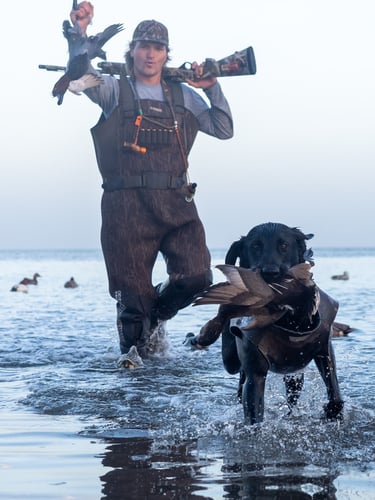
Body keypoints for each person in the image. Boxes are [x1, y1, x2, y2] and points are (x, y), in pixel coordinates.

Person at [68, 2, 234, 365]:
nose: (150, 53)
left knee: (196, 278)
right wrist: (80, 34)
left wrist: (212, 86)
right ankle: (136, 388)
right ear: (133, 52)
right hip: (125, 207)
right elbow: (79, 71)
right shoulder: (112, 89)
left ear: (165, 54)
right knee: (132, 309)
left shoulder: (184, 96)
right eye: (144, 46)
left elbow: (224, 129)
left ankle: (154, 315)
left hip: (177, 202)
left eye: (158, 48)